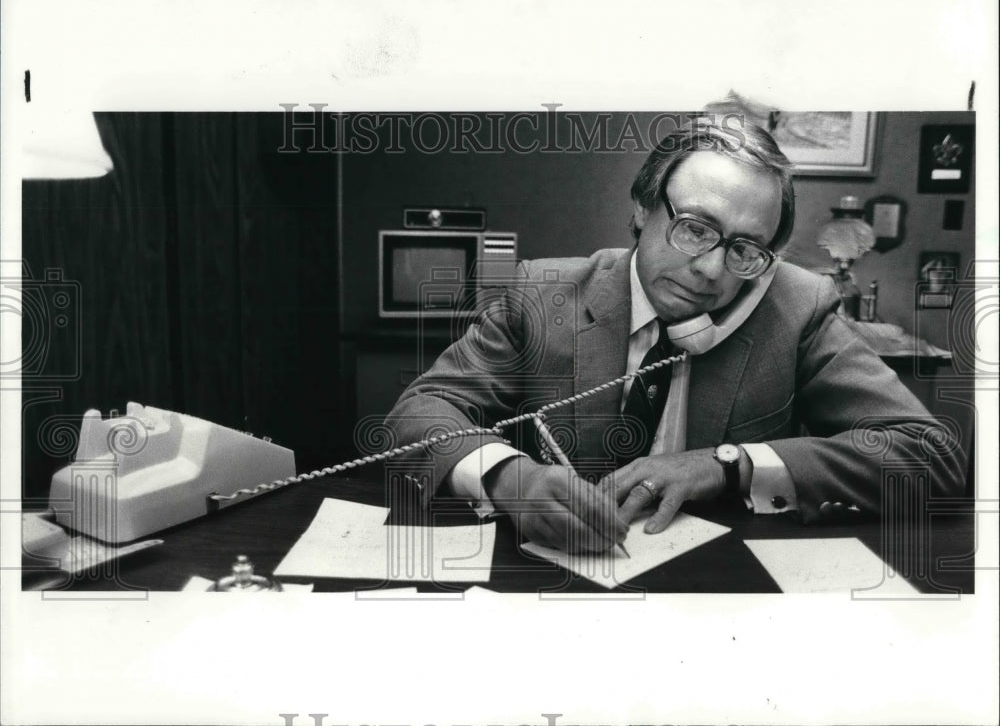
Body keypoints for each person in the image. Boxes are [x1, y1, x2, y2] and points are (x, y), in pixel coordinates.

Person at [385, 121, 966, 553]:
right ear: (642, 210)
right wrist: (508, 478)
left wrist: (728, 464)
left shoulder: (797, 306)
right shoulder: (543, 293)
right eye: (694, 229)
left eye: (744, 248)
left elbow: (932, 456)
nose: (712, 272)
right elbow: (418, 413)